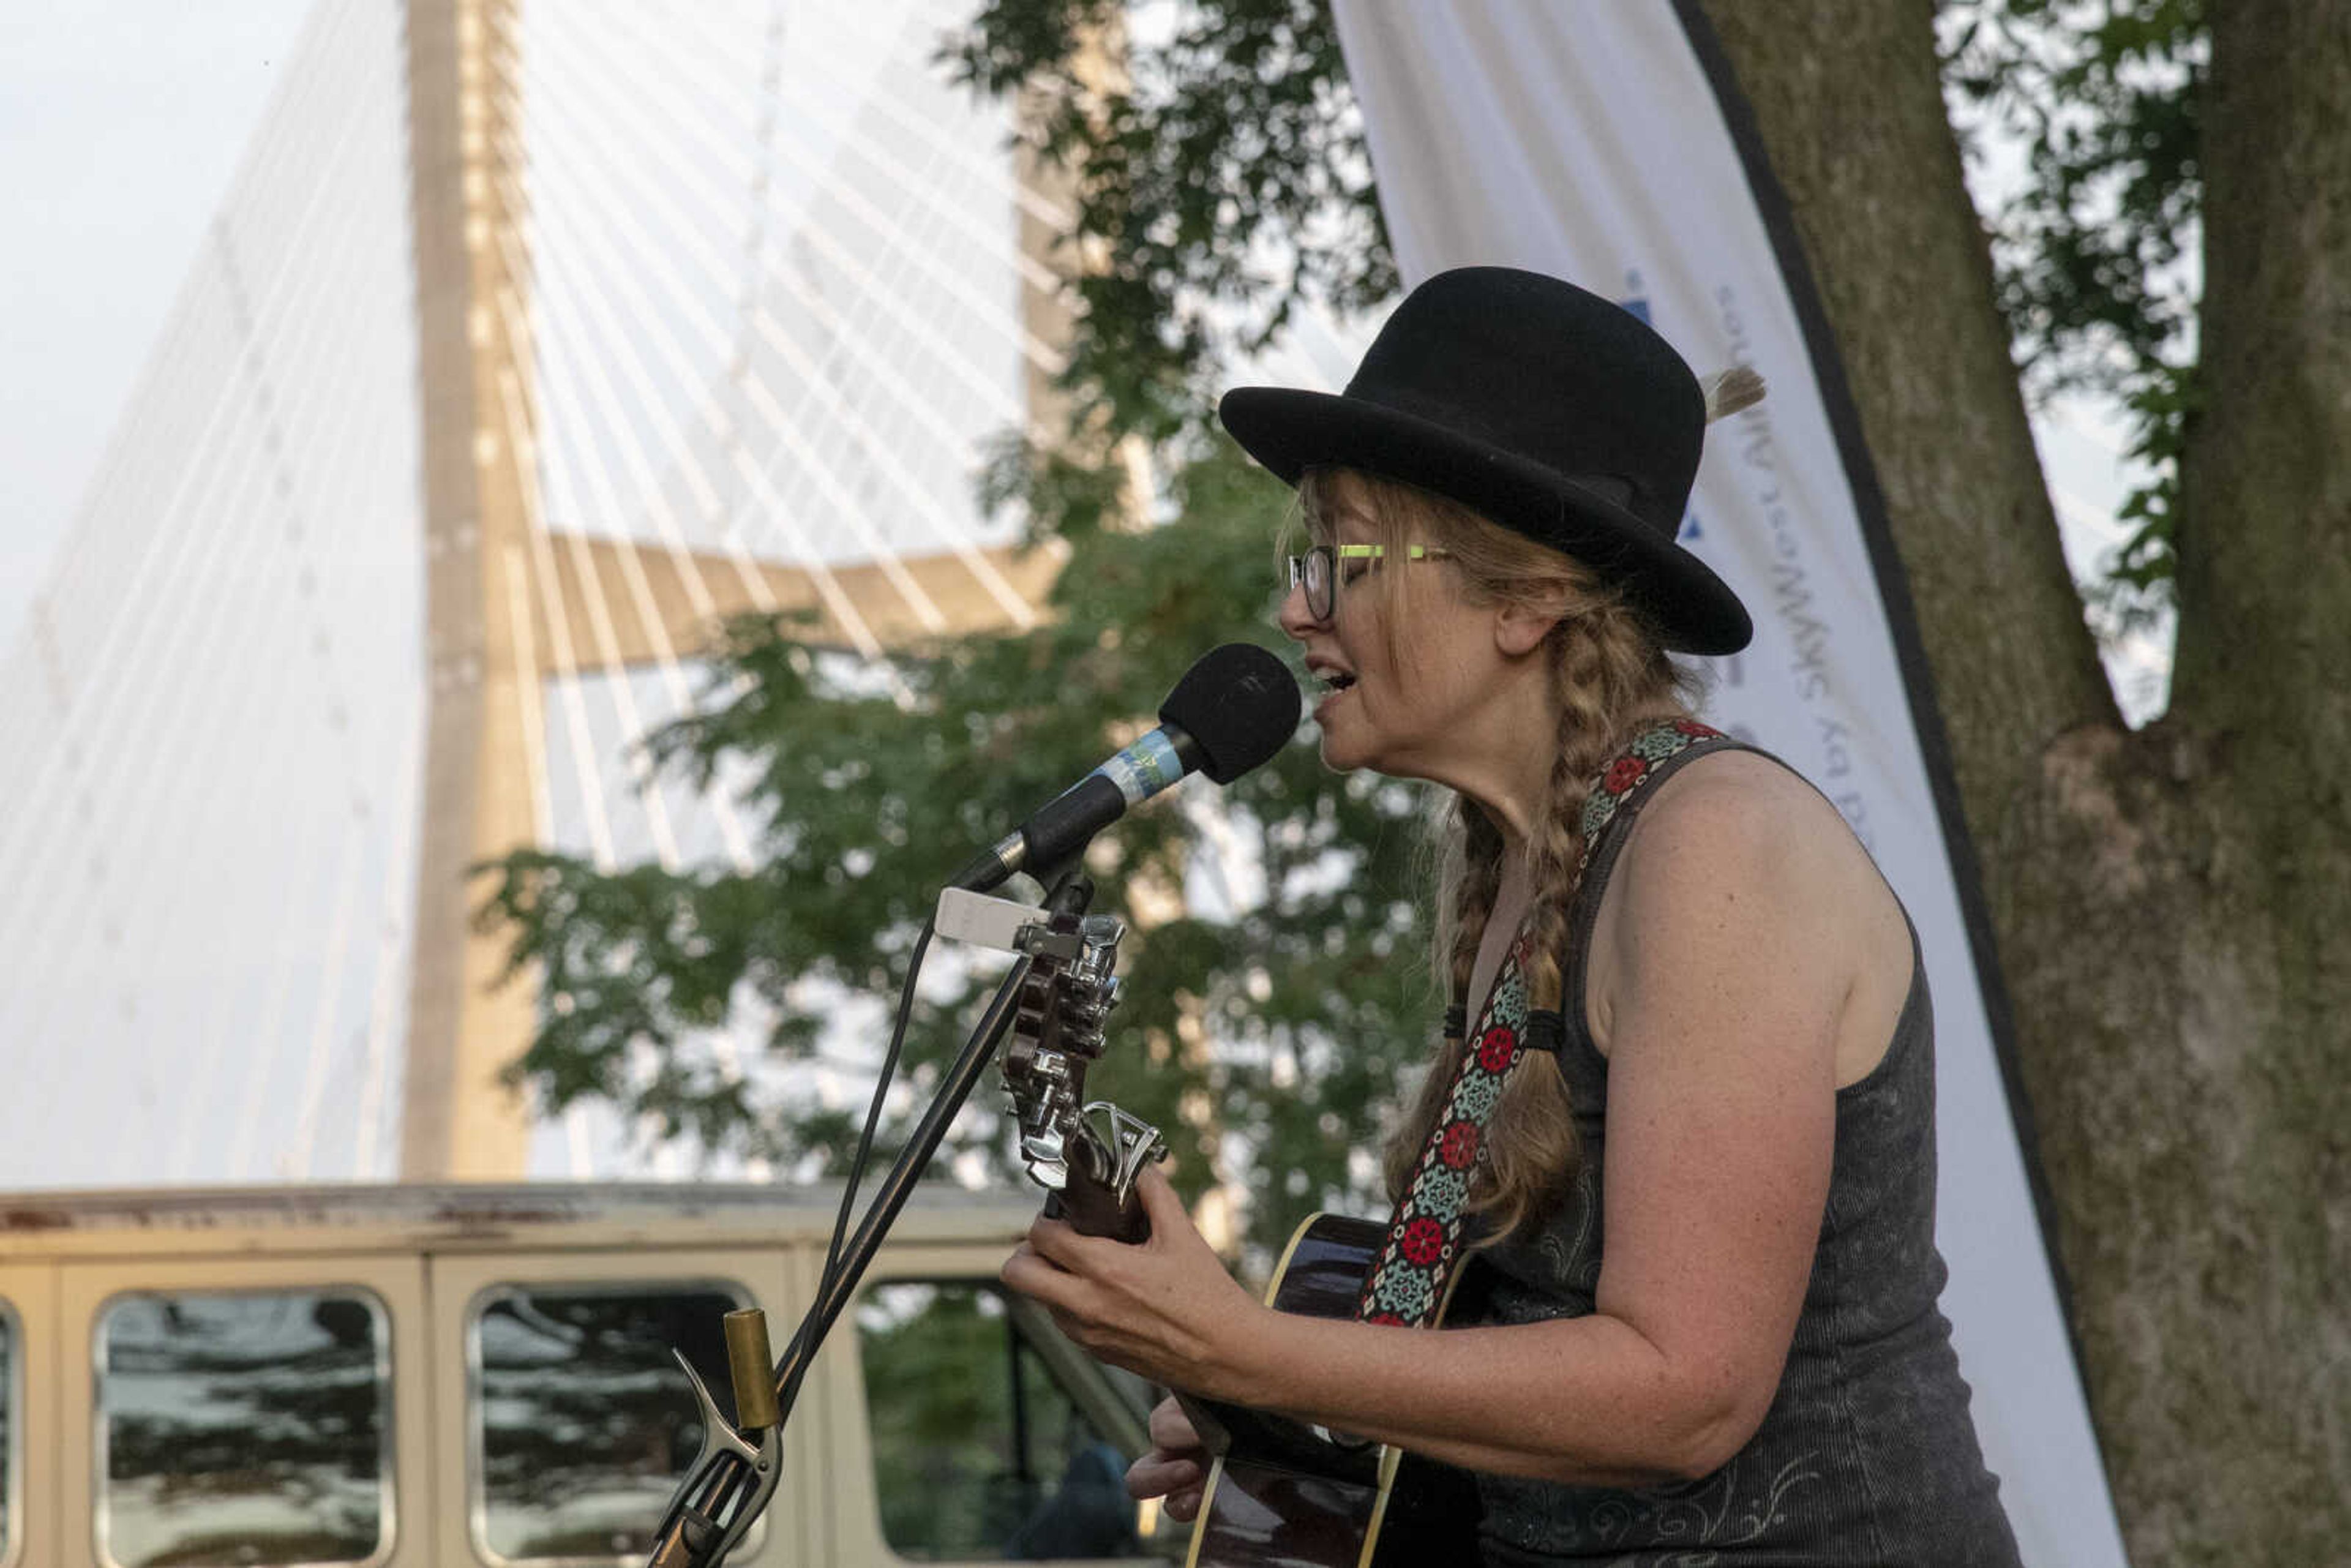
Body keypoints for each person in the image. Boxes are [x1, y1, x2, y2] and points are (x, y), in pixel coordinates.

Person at [999, 266, 2022, 1564]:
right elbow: (1527, 1341)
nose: (1296, 608)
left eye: (1343, 559)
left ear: (1528, 601)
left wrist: (1244, 1347)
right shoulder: (1528, 865)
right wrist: (1284, 1418)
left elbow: (1685, 1392)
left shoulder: (1714, 853)